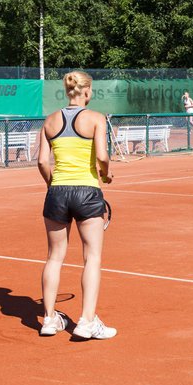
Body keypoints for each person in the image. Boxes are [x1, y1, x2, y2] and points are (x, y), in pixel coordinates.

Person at [36, 70, 116, 340]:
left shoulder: (49, 121)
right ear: (87, 92)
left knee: (54, 257)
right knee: (91, 257)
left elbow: (42, 163)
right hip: (87, 191)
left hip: (57, 192)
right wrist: (105, 173)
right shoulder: (96, 119)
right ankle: (87, 321)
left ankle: (48, 320)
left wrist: (52, 184)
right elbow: (102, 156)